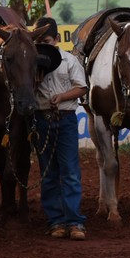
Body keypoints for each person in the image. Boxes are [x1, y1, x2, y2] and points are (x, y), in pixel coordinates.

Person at [32, 17, 89, 240]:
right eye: (39, 41)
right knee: (48, 172)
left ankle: (74, 222)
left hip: (65, 119)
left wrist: (62, 97)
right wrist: (35, 81)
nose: (43, 45)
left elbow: (82, 88)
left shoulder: (69, 60)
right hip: (42, 119)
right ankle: (56, 221)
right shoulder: (31, 63)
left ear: (56, 39)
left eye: (46, 41)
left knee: (70, 171)